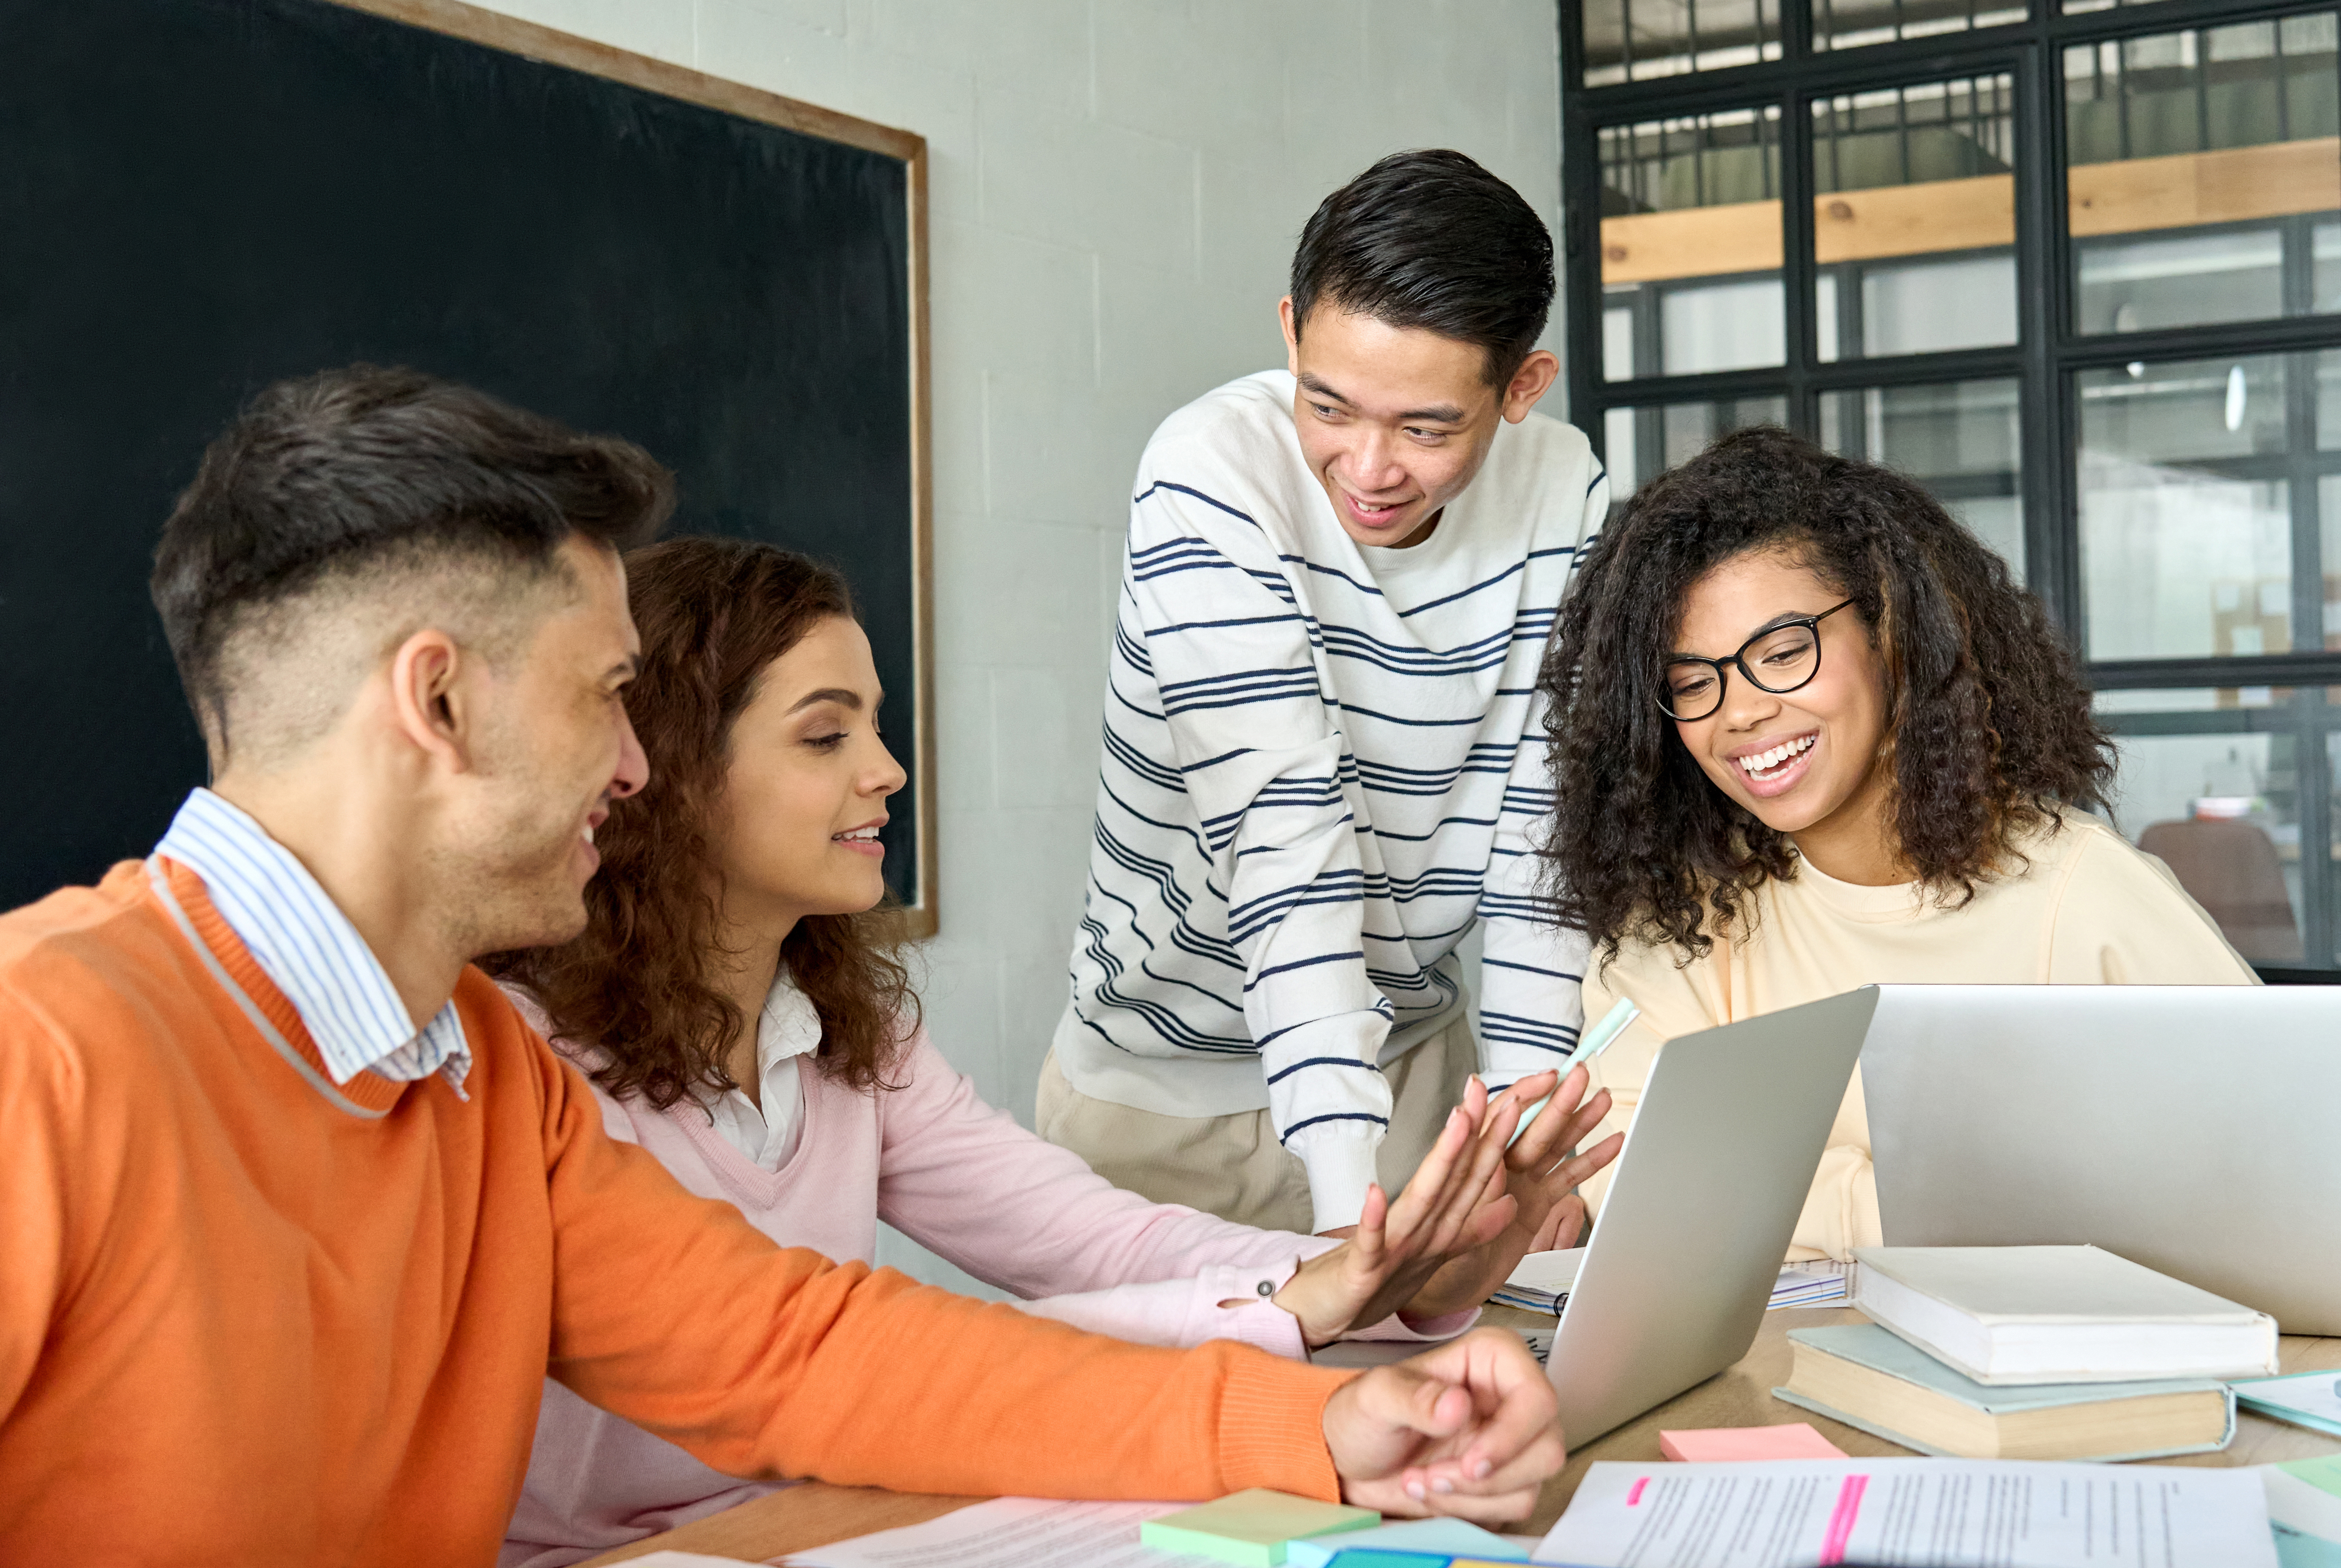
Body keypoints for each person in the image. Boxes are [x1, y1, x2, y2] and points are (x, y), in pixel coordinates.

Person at [0, 366, 1571, 1565]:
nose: (636, 768)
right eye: (608, 697)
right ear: (440, 704)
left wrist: (1324, 1425)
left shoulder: (476, 1068)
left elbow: (801, 1345)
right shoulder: (40, 1050)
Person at [488, 537, 1622, 1565]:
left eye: (876, 726)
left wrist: (1388, 1279)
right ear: (665, 771)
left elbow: (1092, 1241)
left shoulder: (852, 1031)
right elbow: (846, 1351)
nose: (885, 769)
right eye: (826, 735)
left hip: (834, 1514)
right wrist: (1301, 1303)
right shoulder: (526, 1068)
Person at [1041, 148, 1616, 1239]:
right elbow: (1283, 843)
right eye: (1330, 406)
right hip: (1163, 1103)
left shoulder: (1565, 492)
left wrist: (1527, 1130)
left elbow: (1541, 851)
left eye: (1426, 428)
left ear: (1520, 389)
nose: (1366, 467)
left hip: (1410, 1079)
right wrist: (1354, 1219)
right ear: (1290, 331)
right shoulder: (1210, 475)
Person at [1536, 426, 2256, 1263]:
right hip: (1776, 1389)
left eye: (1781, 651)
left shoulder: (2079, 893)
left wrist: (1781, 1195)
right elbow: (1633, 1179)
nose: (1738, 713)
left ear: (1893, 633)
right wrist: (1984, 1205)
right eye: (1693, 683)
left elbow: (2259, 1164)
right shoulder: (1686, 921)